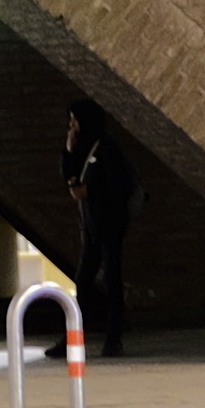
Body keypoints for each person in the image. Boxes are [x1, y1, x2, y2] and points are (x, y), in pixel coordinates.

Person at [57, 95, 140, 360]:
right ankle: (71, 338)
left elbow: (119, 185)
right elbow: (72, 181)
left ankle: (114, 339)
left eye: (75, 121)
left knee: (112, 281)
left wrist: (89, 190)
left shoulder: (107, 149)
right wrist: (68, 151)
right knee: (83, 282)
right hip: (93, 228)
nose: (71, 127)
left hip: (110, 225)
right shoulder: (82, 150)